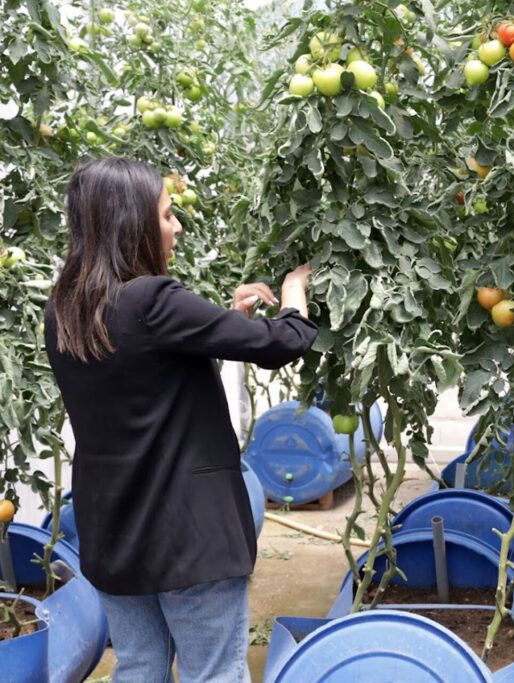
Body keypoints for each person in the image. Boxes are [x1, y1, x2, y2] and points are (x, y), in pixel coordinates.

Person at [44, 158, 318, 683]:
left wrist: (227, 322)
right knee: (212, 672)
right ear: (133, 226)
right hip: (186, 534)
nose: (177, 227)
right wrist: (293, 293)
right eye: (167, 216)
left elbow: (147, 380)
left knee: (140, 666)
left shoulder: (65, 307)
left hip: (113, 526)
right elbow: (282, 343)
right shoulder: (153, 299)